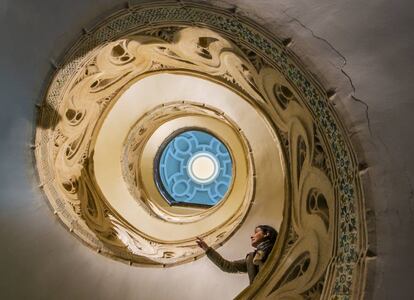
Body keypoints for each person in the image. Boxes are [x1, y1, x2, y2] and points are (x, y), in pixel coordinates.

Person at [196, 225, 278, 284]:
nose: (251, 236)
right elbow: (227, 266)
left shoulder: (278, 247)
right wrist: (207, 249)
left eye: (256, 232)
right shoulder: (251, 258)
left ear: (267, 234)